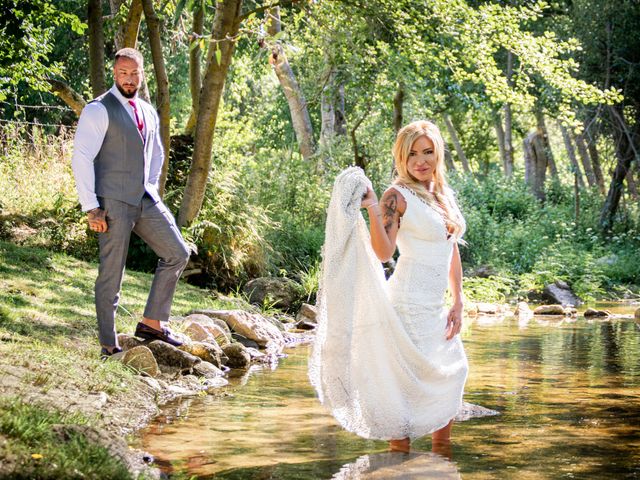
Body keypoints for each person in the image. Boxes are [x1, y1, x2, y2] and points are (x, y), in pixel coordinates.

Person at [309, 120, 468, 455]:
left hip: (436, 309)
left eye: (427, 152)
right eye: (412, 154)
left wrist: (458, 301)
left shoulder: (442, 195)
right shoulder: (397, 196)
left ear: (438, 154)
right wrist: (372, 208)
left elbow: (450, 247)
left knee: (451, 377)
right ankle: (399, 465)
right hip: (407, 306)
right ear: (401, 157)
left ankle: (442, 463)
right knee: (404, 389)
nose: (420, 160)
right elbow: (383, 253)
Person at [71, 48, 190, 358]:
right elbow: (81, 158)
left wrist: (149, 186)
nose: (128, 79)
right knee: (111, 273)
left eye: (134, 73)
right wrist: (91, 206)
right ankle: (109, 345)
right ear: (115, 74)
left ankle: (152, 322)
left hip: (145, 199)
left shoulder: (148, 111)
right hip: (112, 202)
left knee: (177, 253)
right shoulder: (98, 109)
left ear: (141, 74)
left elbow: (157, 154)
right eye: (123, 73)